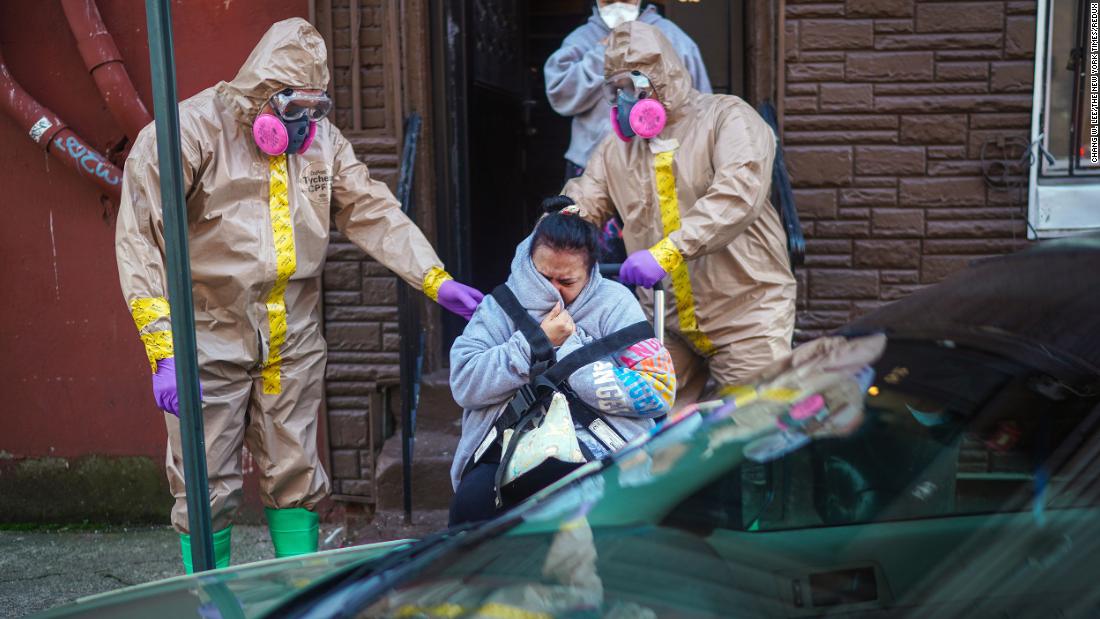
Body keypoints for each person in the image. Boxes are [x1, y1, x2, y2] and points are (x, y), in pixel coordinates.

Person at [114, 18, 482, 572]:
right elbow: (141, 240)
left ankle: (298, 594)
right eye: (294, 108)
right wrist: (165, 350)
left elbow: (372, 209)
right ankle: (210, 602)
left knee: (297, 472)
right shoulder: (186, 133)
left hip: (293, 336)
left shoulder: (321, 144)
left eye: (317, 107)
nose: (305, 122)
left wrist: (435, 278)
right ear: (263, 93)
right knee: (204, 478)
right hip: (207, 335)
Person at [562, 21, 797, 407]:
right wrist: (552, 239)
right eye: (614, 89)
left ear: (659, 78)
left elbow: (736, 196)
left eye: (629, 86)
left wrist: (665, 253)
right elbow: (582, 203)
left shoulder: (729, 118)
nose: (622, 100)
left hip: (747, 313)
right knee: (655, 439)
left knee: (758, 434)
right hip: (664, 318)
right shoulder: (614, 150)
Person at [448, 200, 676, 525]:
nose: (553, 291)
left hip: (600, 441)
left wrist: (570, 352)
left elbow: (659, 390)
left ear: (591, 270)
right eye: (543, 277)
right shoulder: (501, 305)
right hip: (507, 443)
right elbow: (465, 384)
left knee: (593, 508)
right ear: (530, 260)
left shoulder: (614, 303)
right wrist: (534, 345)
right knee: (471, 506)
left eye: (567, 282)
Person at [545, 1, 712, 262]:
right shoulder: (581, 40)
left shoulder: (675, 38)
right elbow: (561, 96)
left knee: (659, 253)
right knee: (595, 259)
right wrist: (603, 53)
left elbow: (699, 103)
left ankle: (657, 302)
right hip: (592, 167)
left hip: (664, 162)